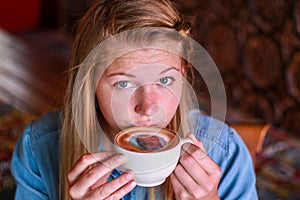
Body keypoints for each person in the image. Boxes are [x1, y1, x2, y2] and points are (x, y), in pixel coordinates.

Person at [11, 0, 258, 199]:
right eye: (124, 83)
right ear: (90, 86)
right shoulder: (38, 149)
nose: (149, 107)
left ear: (182, 75)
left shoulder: (225, 153)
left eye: (164, 81)